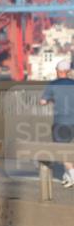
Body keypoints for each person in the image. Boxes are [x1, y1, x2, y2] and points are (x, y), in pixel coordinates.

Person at [40, 59, 74, 188]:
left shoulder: (53, 85)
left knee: (61, 150)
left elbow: (43, 101)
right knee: (69, 150)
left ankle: (72, 175)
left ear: (57, 71)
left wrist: (51, 100)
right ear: (68, 71)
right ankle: (67, 177)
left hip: (61, 122)